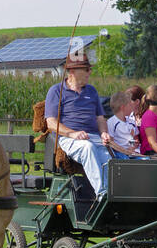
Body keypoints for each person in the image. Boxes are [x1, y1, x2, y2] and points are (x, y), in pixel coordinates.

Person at [45, 50, 140, 198]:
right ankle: (103, 195)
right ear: (72, 71)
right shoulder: (56, 91)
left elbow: (100, 118)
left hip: (93, 136)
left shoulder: (91, 91)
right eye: (86, 69)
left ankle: (120, 193)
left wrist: (103, 133)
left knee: (114, 155)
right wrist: (72, 133)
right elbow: (51, 123)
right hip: (68, 138)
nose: (90, 72)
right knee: (87, 148)